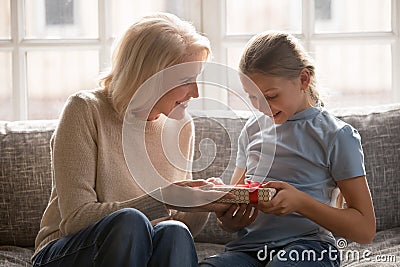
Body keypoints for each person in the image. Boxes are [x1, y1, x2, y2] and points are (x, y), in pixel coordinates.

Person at [32, 12, 231, 267]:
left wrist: (203, 202)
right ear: (149, 77)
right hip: (66, 252)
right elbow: (75, 219)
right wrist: (162, 199)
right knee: (130, 221)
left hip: (138, 250)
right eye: (185, 81)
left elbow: (175, 222)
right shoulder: (85, 109)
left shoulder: (181, 126)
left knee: (174, 232)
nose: (196, 92)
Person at [199, 31, 376, 267]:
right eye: (252, 97)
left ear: (304, 79)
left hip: (309, 247)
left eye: (271, 96)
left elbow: (365, 229)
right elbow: (235, 210)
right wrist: (228, 216)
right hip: (248, 249)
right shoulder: (251, 131)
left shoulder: (336, 135)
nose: (261, 107)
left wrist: (300, 202)